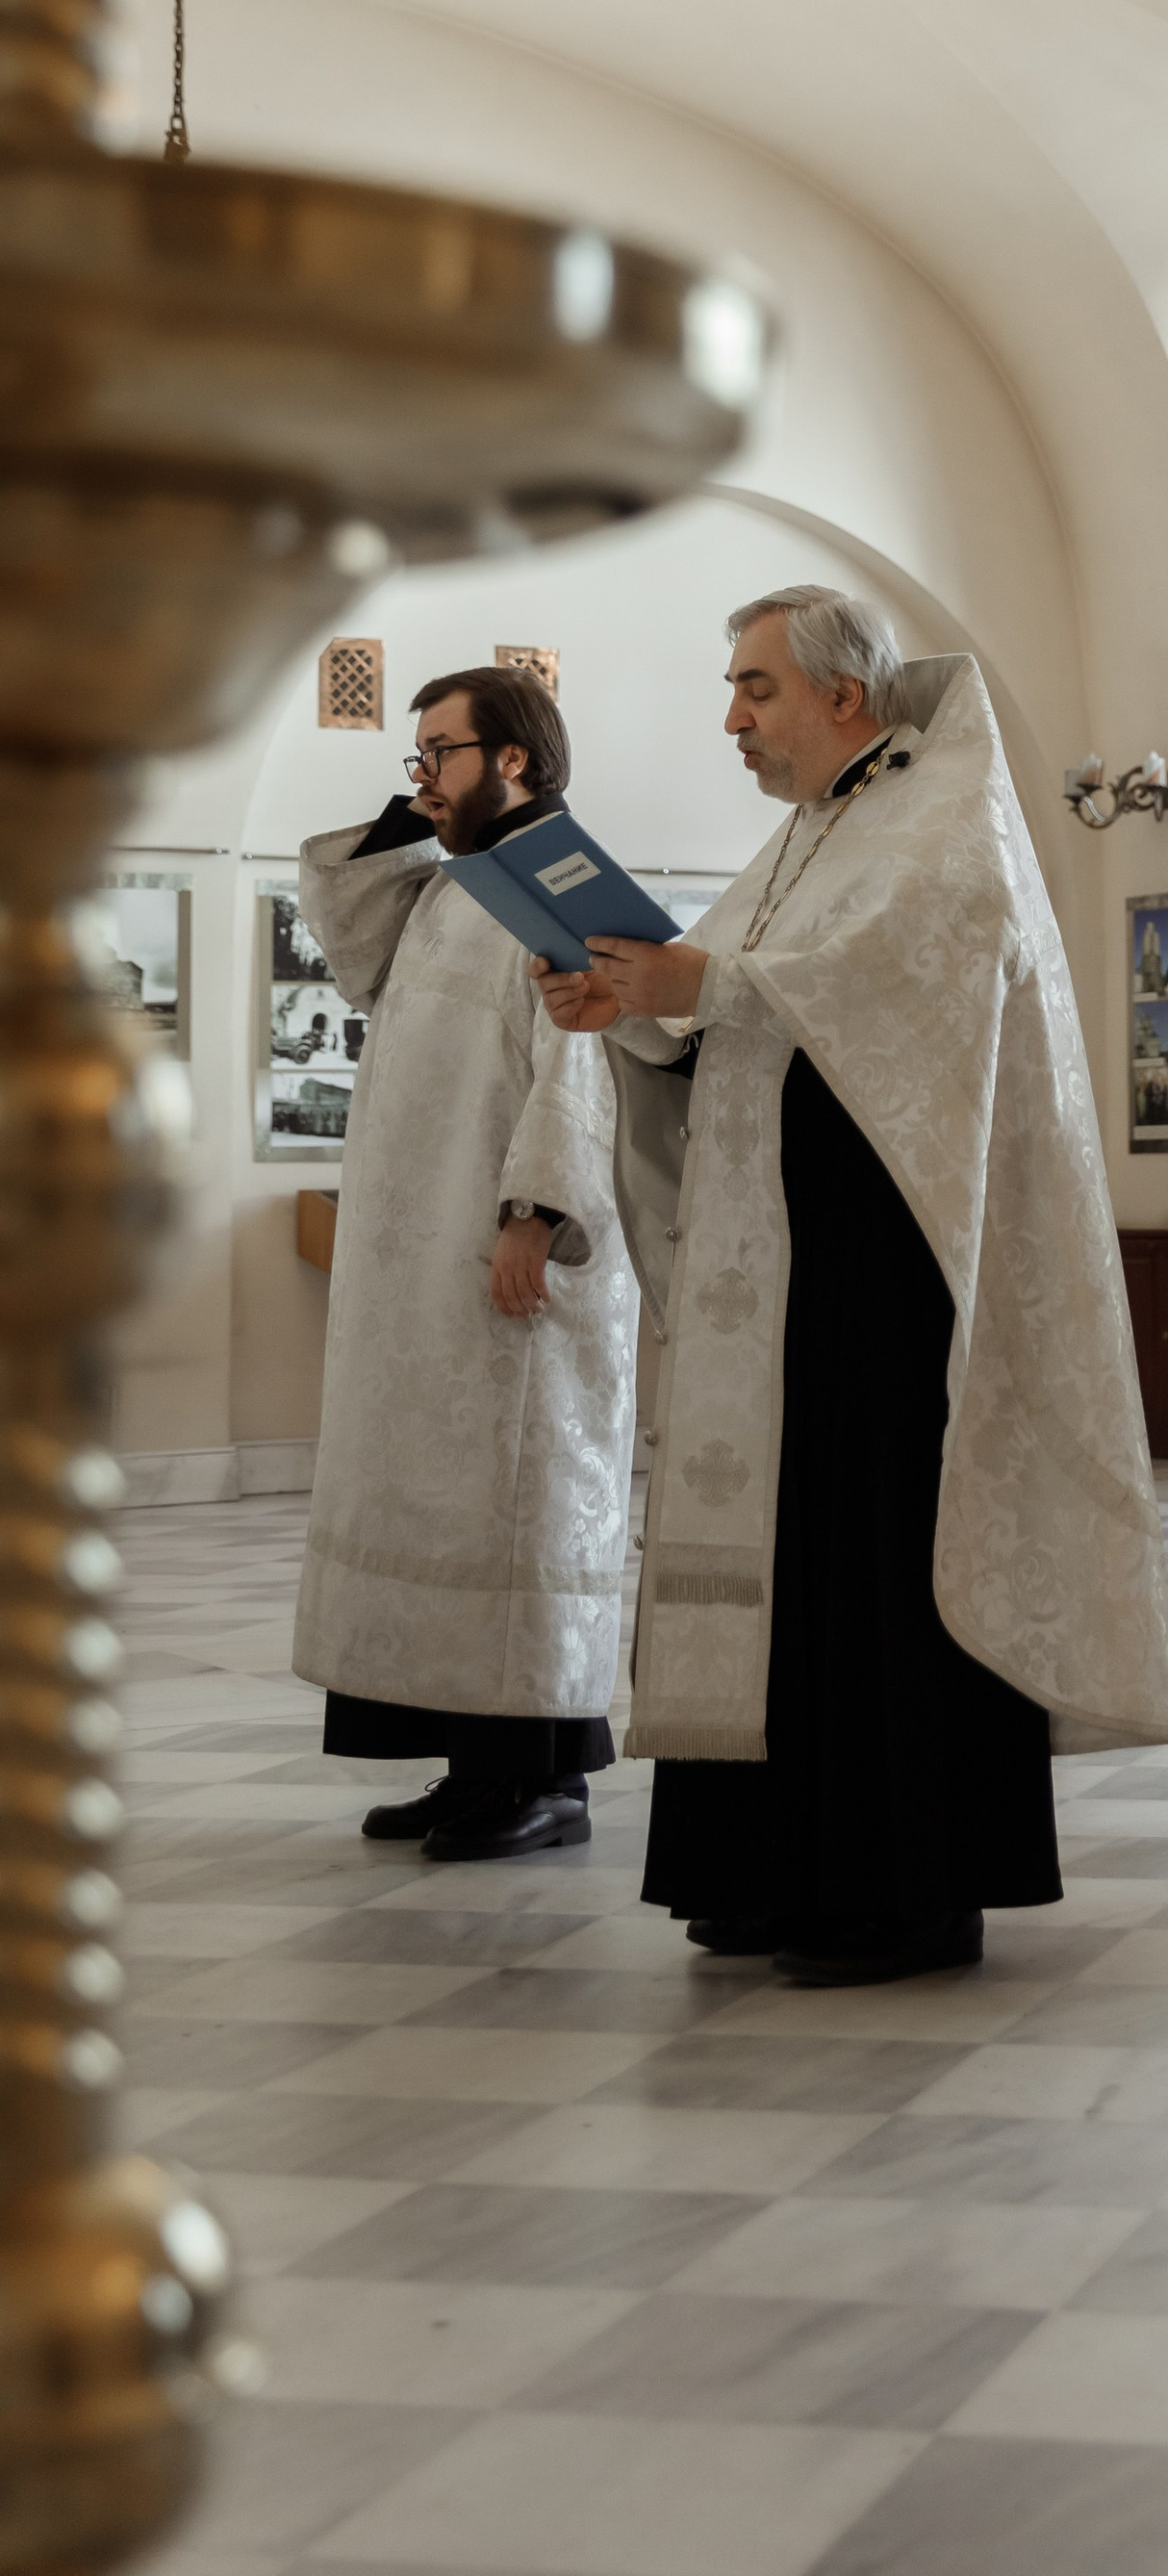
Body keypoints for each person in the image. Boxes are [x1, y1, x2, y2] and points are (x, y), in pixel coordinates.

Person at [538, 586, 1168, 1987]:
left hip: (895, 1270)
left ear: (844, 696)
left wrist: (697, 979)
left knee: (874, 1557)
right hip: (775, 1265)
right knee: (784, 1560)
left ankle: (902, 1889)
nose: (732, 716)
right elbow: (741, 1015)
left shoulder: (946, 815)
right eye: (732, 687)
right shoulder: (809, 834)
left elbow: (908, 1000)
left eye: (754, 688)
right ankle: (767, 1861)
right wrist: (638, 1004)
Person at [291, 665, 637, 1862]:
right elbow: (345, 936)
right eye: (417, 754)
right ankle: (467, 1763)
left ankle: (541, 1780)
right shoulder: (453, 888)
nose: (423, 775)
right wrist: (417, 814)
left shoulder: (562, 882)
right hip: (420, 1261)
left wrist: (536, 1207)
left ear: (517, 762)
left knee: (515, 1509)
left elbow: (583, 1063)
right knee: (442, 1510)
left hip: (506, 1250)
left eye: (441, 753)